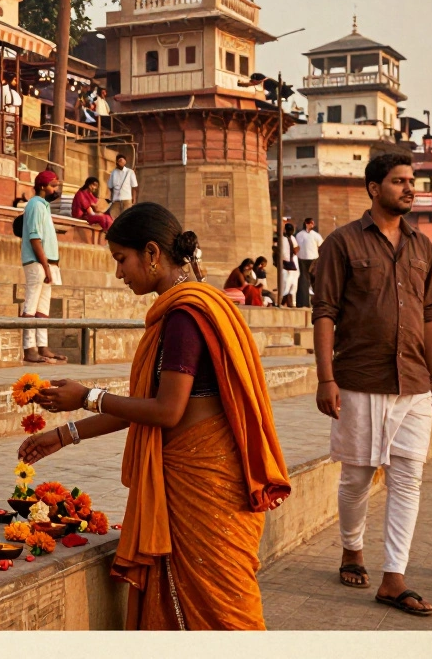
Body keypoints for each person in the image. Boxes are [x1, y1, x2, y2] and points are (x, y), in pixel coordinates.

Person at [19, 202, 290, 630]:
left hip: (206, 485)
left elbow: (165, 411)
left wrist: (87, 396)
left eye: (121, 260)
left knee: (224, 613)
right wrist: (65, 434)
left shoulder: (184, 316)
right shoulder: (194, 307)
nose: (119, 273)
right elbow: (147, 406)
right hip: (211, 479)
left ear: (151, 253)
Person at [311, 152, 432, 617]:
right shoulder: (342, 244)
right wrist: (326, 378)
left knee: (409, 478)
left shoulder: (422, 247)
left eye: (412, 181)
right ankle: (351, 548)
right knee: (357, 477)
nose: (409, 188)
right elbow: (325, 312)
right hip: (360, 379)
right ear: (373, 188)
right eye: (399, 181)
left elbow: (428, 316)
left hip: (413, 381)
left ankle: (394, 577)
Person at [20, 171, 67, 365]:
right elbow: (34, 237)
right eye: (53, 186)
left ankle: (42, 346)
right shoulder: (35, 205)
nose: (55, 190)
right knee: (31, 306)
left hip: (47, 264)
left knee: (43, 309)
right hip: (38, 263)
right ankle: (29, 348)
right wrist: (46, 266)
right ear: (42, 187)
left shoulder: (44, 206)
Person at [295, 218, 324, 308]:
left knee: (316, 281)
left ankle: (318, 302)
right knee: (303, 281)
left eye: (313, 223)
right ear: (306, 224)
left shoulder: (316, 235)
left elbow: (321, 247)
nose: (312, 225)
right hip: (302, 260)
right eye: (311, 223)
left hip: (313, 260)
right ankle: (302, 302)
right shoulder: (299, 235)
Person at [106, 154, 138, 218]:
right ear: (117, 162)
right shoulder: (113, 173)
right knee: (114, 217)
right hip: (116, 200)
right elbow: (110, 186)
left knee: (126, 217)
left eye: (122, 160)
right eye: (119, 161)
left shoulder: (130, 172)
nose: (120, 162)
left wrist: (134, 198)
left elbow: (134, 186)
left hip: (127, 199)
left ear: (125, 162)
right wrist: (112, 197)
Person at [279, 222, 300, 307]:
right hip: (285, 263)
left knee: (293, 284)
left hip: (292, 263)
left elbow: (296, 248)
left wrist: (297, 248)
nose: (290, 232)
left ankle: (289, 301)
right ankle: (284, 301)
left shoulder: (292, 238)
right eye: (289, 230)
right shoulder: (282, 239)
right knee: (286, 284)